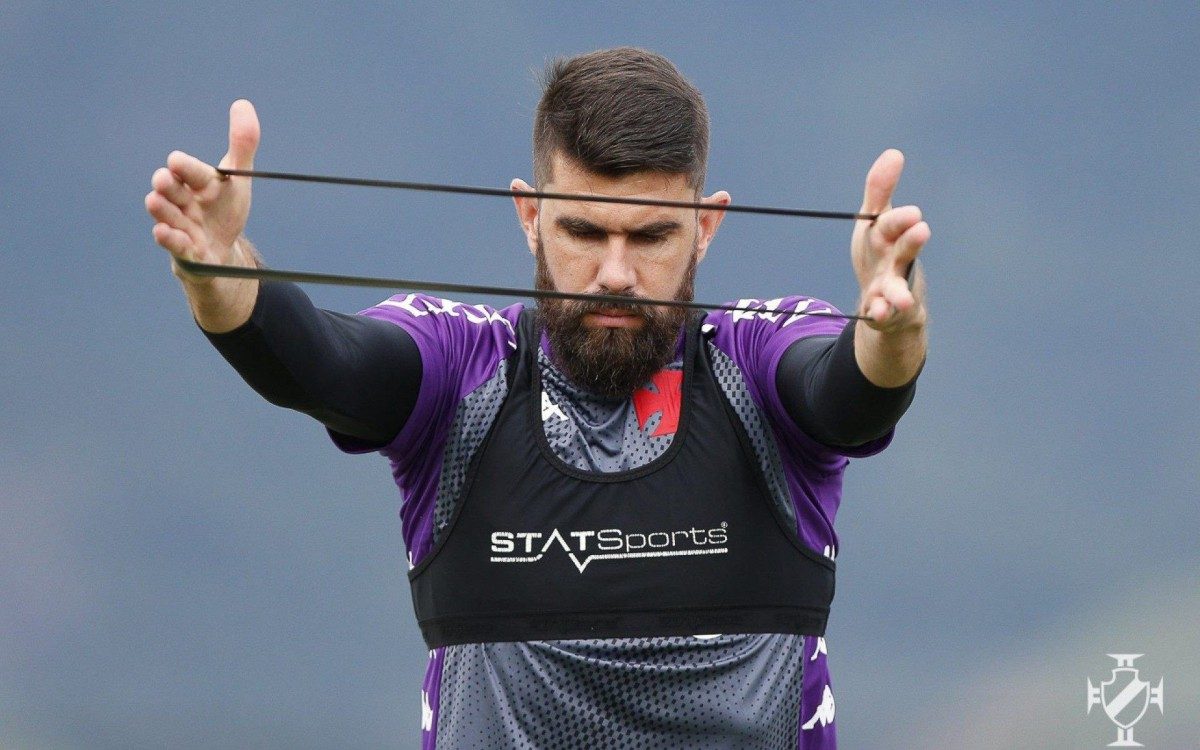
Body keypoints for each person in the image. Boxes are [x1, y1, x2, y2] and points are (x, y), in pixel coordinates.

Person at [145, 47, 928, 750]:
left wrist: (891, 331)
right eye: (583, 233)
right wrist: (222, 274)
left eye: (650, 237)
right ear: (530, 215)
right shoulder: (462, 367)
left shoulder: (753, 361)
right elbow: (321, 361)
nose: (615, 274)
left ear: (706, 226)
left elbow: (849, 391)